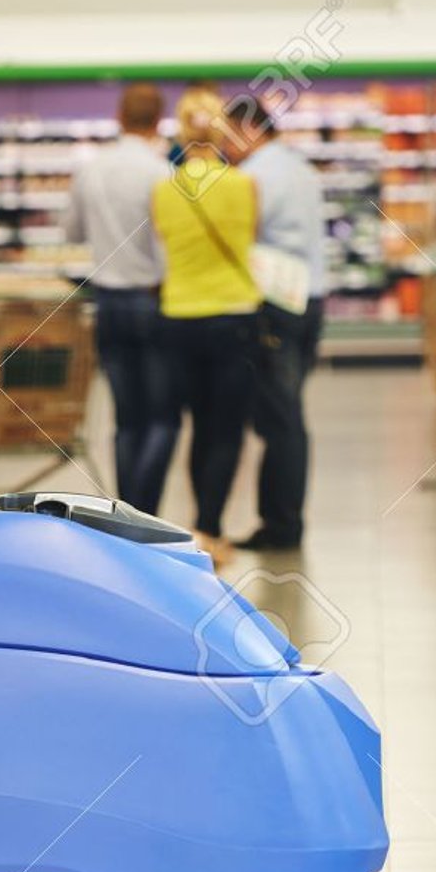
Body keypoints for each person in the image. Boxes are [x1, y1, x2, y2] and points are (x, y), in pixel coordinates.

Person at [151, 87, 262, 569]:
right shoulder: (244, 185)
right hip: (235, 316)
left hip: (178, 316)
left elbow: (164, 242)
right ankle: (211, 528)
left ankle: (199, 530)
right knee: (226, 429)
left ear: (179, 132)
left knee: (196, 425)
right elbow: (250, 238)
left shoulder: (162, 191)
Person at [62, 83, 176, 514]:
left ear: (119, 117)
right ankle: (147, 512)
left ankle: (127, 513)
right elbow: (167, 244)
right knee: (162, 417)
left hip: (107, 303)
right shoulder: (162, 173)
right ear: (159, 121)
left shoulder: (92, 169)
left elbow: (71, 232)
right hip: (152, 301)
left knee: (126, 419)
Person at [224, 96, 326, 551]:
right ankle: (279, 520)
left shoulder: (253, 176)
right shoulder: (300, 168)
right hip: (311, 299)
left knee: (281, 418)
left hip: (276, 304)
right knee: (285, 413)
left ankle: (283, 525)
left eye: (229, 136)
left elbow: (241, 235)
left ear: (250, 129)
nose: (225, 147)